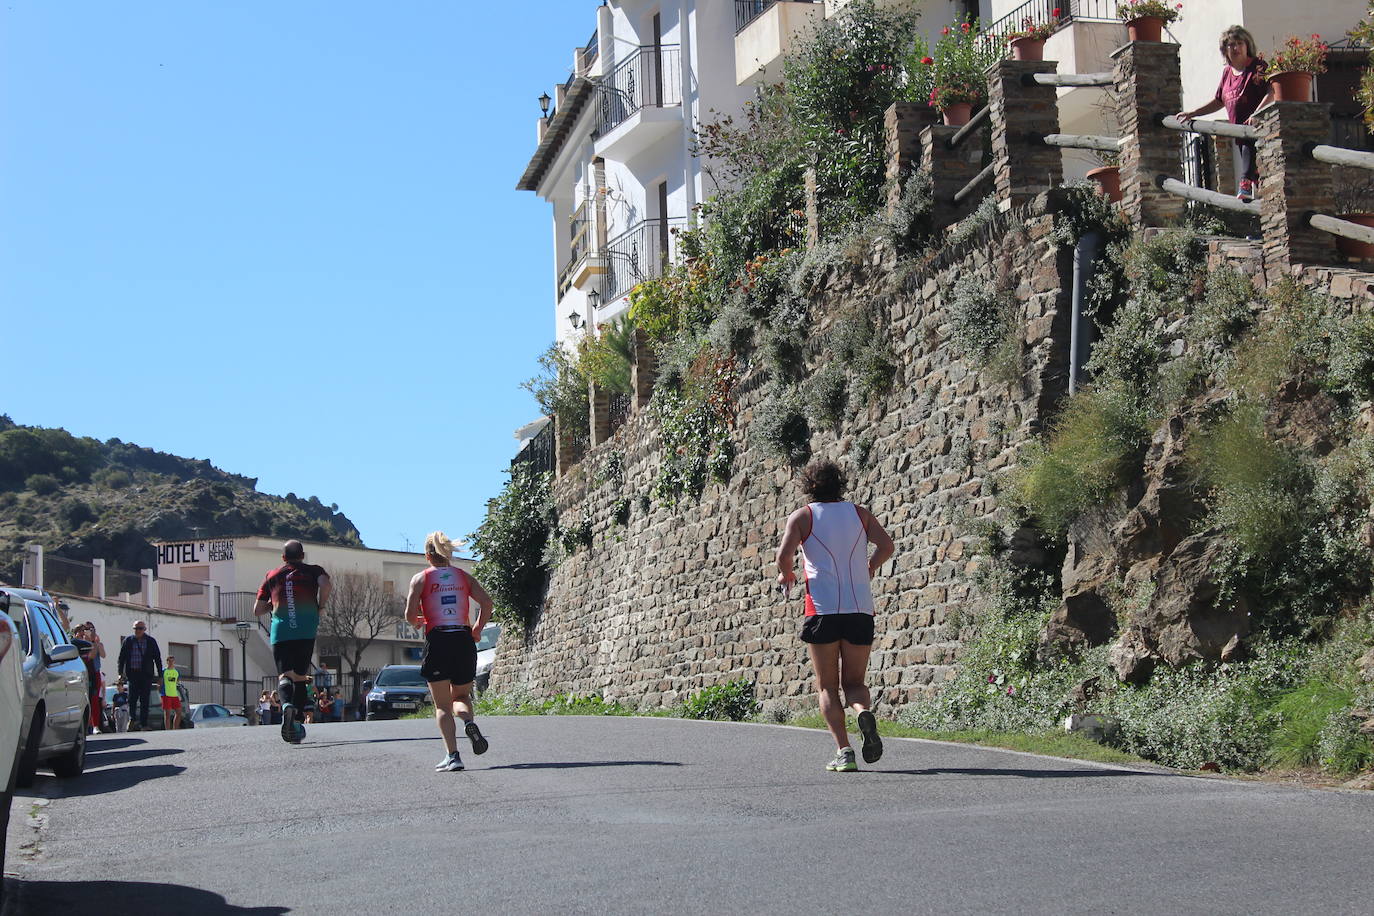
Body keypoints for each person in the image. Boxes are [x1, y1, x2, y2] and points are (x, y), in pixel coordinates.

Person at [775, 459, 895, 773]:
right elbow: (887, 545)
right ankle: (861, 712)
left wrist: (786, 576)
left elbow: (783, 556)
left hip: (822, 610)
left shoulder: (803, 517)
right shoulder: (860, 513)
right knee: (854, 682)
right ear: (840, 483)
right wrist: (870, 566)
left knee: (827, 686)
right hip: (859, 609)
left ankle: (844, 751)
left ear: (809, 486)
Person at [405, 531, 493, 772]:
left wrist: (418, 622)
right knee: (461, 697)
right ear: (449, 554)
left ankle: (453, 756)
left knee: (442, 706)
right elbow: (487, 602)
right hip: (463, 639)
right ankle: (467, 722)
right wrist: (477, 628)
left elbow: (409, 614)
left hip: (439, 640)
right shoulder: (463, 577)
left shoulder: (421, 579)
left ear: (427, 556)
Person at [1175, 25, 1273, 202]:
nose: (1235, 48)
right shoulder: (1227, 73)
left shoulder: (1258, 67)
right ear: (1225, 50)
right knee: (1250, 159)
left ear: (1247, 45)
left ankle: (1245, 182)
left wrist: (1258, 114)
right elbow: (1219, 101)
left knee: (1249, 154)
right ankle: (1255, 188)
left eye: (1239, 43)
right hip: (1239, 133)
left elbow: (1272, 92)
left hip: (1258, 130)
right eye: (1231, 45)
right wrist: (1194, 112)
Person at [253, 540, 331, 744]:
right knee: (300, 677)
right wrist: (320, 606)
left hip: (282, 630)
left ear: (283, 558)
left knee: (285, 675)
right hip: (306, 627)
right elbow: (326, 585)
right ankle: (296, 721)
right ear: (303, 555)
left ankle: (286, 705)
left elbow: (257, 610)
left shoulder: (272, 576)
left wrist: (273, 604)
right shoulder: (314, 571)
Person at [117, 621, 163, 731]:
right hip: (132, 674)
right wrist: (120, 673)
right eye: (136, 628)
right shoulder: (128, 641)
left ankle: (144, 724)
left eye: (140, 628)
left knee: (145, 699)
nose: (138, 631)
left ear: (144, 629)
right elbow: (121, 658)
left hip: (146, 674)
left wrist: (160, 676)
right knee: (132, 698)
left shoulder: (151, 641)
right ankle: (132, 719)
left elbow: (157, 659)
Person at [161, 655, 183, 731]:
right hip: (166, 695)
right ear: (167, 662)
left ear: (174, 662)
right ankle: (168, 730)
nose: (171, 663)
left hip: (174, 695)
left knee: (179, 712)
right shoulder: (163, 671)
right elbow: (159, 683)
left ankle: (175, 729)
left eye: (172, 661)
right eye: (169, 661)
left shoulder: (176, 672)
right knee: (167, 714)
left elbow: (177, 682)